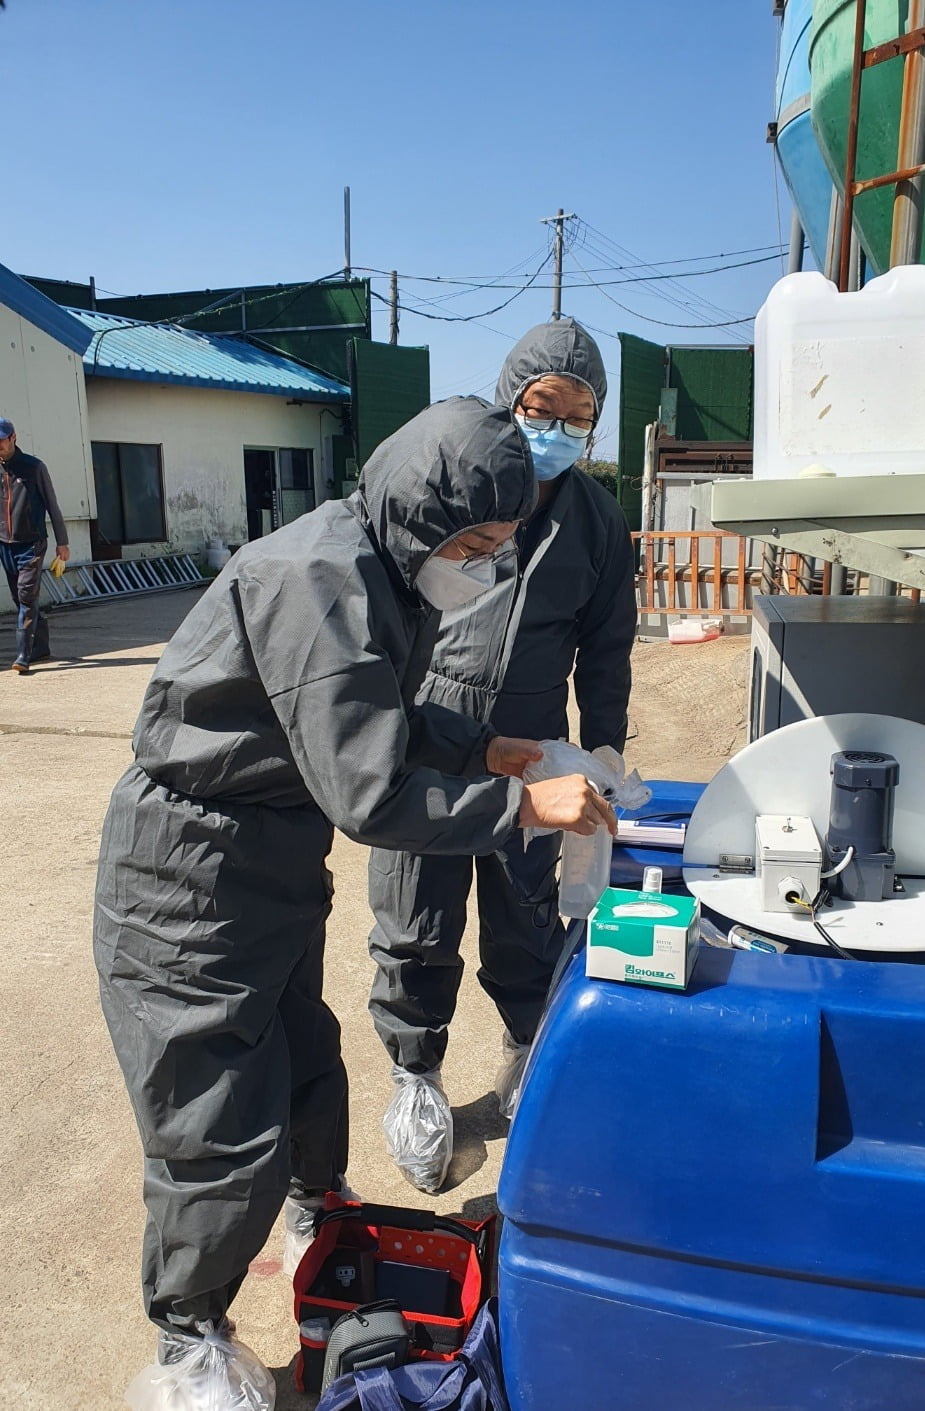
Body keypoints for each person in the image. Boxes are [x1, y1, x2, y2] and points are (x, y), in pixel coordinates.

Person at [93, 396, 616, 1402]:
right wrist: (519, 802)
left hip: (268, 860)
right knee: (218, 1112)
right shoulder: (321, 577)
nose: (484, 563)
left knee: (300, 1059)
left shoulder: (385, 569)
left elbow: (379, 715)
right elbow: (370, 790)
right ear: (422, 513)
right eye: (476, 541)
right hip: (190, 871)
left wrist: (479, 747)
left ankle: (316, 1217)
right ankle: (189, 1341)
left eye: (500, 545)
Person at [368, 319, 637, 1191]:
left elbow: (606, 648)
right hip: (434, 734)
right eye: (541, 407)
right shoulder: (471, 484)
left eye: (577, 415)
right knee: (417, 916)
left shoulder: (598, 524)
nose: (556, 428)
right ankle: (418, 1083)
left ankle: (530, 1062)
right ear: (510, 397)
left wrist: (601, 747)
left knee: (528, 915)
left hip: (529, 744)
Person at [0, 416, 70, 672]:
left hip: (32, 543)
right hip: (5, 545)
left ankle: (23, 657)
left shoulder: (34, 467)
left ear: (13, 438)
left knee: (26, 598)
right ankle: (40, 647)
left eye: (1, 440)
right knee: (20, 600)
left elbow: (52, 504)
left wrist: (63, 542)